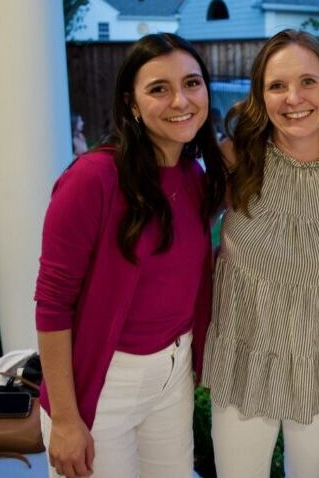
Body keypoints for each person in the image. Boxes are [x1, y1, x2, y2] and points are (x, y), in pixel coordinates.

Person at [34, 33, 226, 478]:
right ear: (132, 104)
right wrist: (65, 419)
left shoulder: (195, 175)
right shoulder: (93, 178)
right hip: (104, 383)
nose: (181, 99)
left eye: (192, 83)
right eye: (159, 88)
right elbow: (53, 303)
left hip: (172, 376)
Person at [202, 29, 319, 477]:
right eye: (276, 85)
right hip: (242, 362)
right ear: (260, 97)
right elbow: (181, 244)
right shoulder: (234, 159)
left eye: (307, 82)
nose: (292, 98)